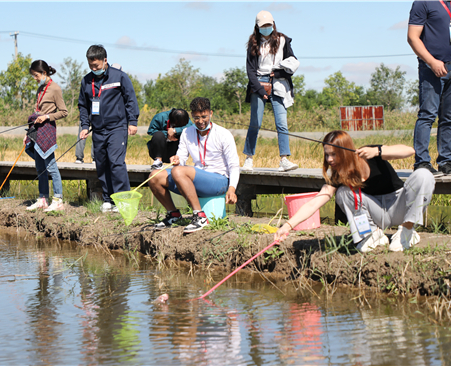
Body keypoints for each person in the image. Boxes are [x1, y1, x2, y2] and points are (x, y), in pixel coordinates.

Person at [273, 130, 436, 253]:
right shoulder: (337, 175)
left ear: (344, 151)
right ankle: (372, 234)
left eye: (334, 154)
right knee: (343, 192)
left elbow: (409, 151)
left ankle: (407, 231)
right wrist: (287, 226)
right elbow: (315, 202)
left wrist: (378, 151)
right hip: (377, 214)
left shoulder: (371, 153)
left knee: (424, 174)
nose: (329, 159)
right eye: (327, 154)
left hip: (398, 206)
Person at [148, 97, 240, 233]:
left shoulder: (224, 134)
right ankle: (173, 214)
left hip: (218, 181)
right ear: (192, 116)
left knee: (178, 172)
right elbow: (182, 158)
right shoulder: (187, 132)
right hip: (198, 179)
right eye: (197, 118)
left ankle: (199, 216)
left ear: (211, 114)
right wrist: (177, 159)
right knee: (154, 176)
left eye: (204, 117)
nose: (201, 121)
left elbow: (234, 165)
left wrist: (231, 189)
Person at [78, 45, 139, 213]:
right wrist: (85, 126)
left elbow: (130, 100)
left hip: (117, 128)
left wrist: (132, 121)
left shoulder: (119, 77)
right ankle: (108, 199)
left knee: (116, 163)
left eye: (96, 65)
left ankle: (123, 201)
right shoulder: (86, 81)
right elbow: (83, 106)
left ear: (105, 60)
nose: (94, 69)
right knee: (102, 164)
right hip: (98, 130)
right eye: (91, 66)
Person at [408, 0, 451, 176]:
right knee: (427, 115)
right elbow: (412, 37)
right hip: (431, 67)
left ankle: (446, 162)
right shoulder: (423, 3)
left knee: (449, 117)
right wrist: (432, 62)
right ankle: (422, 163)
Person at [242, 10, 300, 172]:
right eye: (263, 26)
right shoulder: (253, 43)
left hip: (279, 83)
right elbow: (250, 71)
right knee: (255, 123)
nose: (266, 28)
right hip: (259, 83)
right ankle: (248, 158)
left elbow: (293, 62)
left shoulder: (283, 40)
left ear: (273, 24)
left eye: (269, 25)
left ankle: (284, 159)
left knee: (282, 123)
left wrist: (280, 73)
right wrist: (260, 90)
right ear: (257, 26)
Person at [24, 60, 68, 212]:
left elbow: (63, 112)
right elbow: (37, 111)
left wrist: (47, 117)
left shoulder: (55, 89)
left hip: (47, 129)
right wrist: (29, 134)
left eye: (36, 75)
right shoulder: (40, 89)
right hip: (37, 129)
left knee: (51, 166)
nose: (35, 78)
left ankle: (58, 199)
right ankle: (43, 198)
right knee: (40, 166)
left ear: (44, 73)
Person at [75, 63, 123, 164]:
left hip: (102, 114)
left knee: (97, 134)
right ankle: (79, 157)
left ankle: (94, 157)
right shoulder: (95, 79)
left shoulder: (119, 80)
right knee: (83, 131)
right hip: (90, 111)